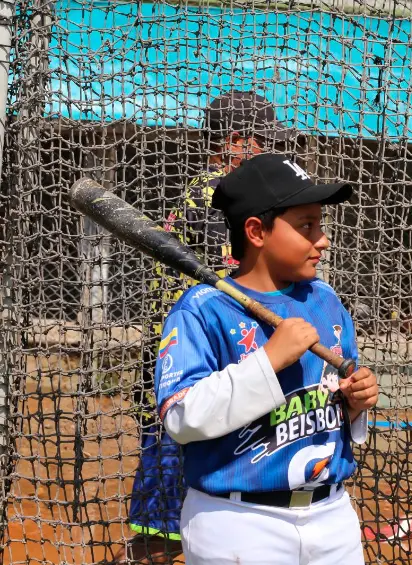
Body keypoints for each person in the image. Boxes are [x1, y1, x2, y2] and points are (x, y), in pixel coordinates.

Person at [154, 153, 378, 565]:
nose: (322, 239)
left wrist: (355, 400)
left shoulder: (325, 300)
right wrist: (268, 361)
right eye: (307, 226)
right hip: (238, 521)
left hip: (332, 514)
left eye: (320, 225)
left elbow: (335, 401)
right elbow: (181, 418)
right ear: (256, 231)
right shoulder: (203, 309)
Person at [117, 91, 300, 564]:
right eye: (262, 142)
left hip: (204, 368)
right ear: (235, 142)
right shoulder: (216, 194)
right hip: (186, 370)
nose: (268, 153)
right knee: (162, 526)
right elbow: (234, 285)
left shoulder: (219, 192)